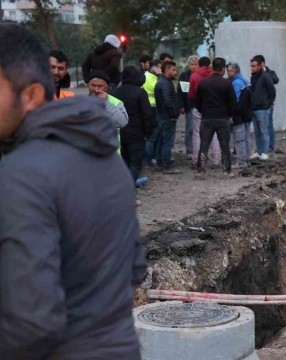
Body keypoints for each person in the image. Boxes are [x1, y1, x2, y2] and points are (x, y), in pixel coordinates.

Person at [0, 24, 145, 360]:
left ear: (32, 94)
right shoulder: (107, 156)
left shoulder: (21, 174)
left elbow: (31, 322)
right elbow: (135, 270)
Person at [194, 57, 236, 179]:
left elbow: (196, 102)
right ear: (223, 69)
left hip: (207, 118)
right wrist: (229, 115)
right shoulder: (227, 83)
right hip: (223, 119)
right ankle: (226, 172)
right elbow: (233, 102)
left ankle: (201, 171)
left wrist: (204, 111)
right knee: (224, 145)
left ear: (212, 68)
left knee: (204, 145)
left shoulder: (203, 82)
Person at [112, 66, 153, 182]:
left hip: (120, 133)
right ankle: (128, 188)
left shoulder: (115, 92)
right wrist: (147, 132)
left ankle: (124, 186)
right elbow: (147, 115)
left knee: (125, 161)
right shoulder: (140, 92)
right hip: (136, 134)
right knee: (136, 163)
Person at [189, 56, 219, 168]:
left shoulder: (194, 76)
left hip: (198, 108)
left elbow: (191, 94)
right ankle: (216, 160)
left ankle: (196, 160)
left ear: (199, 64)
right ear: (209, 65)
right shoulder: (213, 75)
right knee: (215, 134)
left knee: (197, 134)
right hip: (213, 109)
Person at [154, 60, 181, 174]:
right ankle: (166, 166)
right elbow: (168, 101)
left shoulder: (162, 82)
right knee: (167, 143)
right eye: (173, 70)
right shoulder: (165, 84)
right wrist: (174, 114)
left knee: (161, 141)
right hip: (167, 117)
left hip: (162, 116)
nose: (175, 72)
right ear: (166, 70)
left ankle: (160, 164)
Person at [250, 55, 276, 161]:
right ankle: (259, 151)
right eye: (251, 66)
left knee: (264, 130)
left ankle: (264, 152)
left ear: (261, 66)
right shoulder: (253, 77)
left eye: (254, 66)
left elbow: (272, 90)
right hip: (254, 108)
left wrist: (270, 102)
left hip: (263, 108)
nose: (252, 68)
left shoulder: (265, 76)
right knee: (257, 131)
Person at [228, 62, 253, 168]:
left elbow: (235, 101)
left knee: (239, 140)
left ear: (234, 71)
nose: (227, 73)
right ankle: (247, 159)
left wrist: (231, 115)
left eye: (229, 71)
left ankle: (241, 162)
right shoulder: (246, 81)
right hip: (247, 115)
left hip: (239, 116)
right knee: (246, 138)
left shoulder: (236, 83)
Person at [254, 54, 279, 152]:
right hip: (258, 104)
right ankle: (261, 147)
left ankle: (270, 146)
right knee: (259, 129)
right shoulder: (255, 75)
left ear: (263, 64)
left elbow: (276, 80)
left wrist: (265, 73)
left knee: (268, 124)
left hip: (268, 104)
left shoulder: (270, 72)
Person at [178, 55, 199, 158]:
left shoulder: (200, 75)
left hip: (199, 106)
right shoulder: (184, 76)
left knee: (199, 129)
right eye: (192, 64)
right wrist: (181, 105)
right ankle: (189, 149)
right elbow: (180, 91)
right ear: (188, 65)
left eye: (195, 64)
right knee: (189, 129)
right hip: (188, 105)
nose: (194, 66)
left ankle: (198, 149)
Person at [144, 59, 161, 167]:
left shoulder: (152, 77)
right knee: (152, 136)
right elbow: (159, 89)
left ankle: (151, 157)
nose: (162, 70)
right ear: (153, 68)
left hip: (153, 108)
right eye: (160, 67)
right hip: (151, 109)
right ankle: (149, 159)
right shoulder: (149, 78)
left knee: (155, 135)